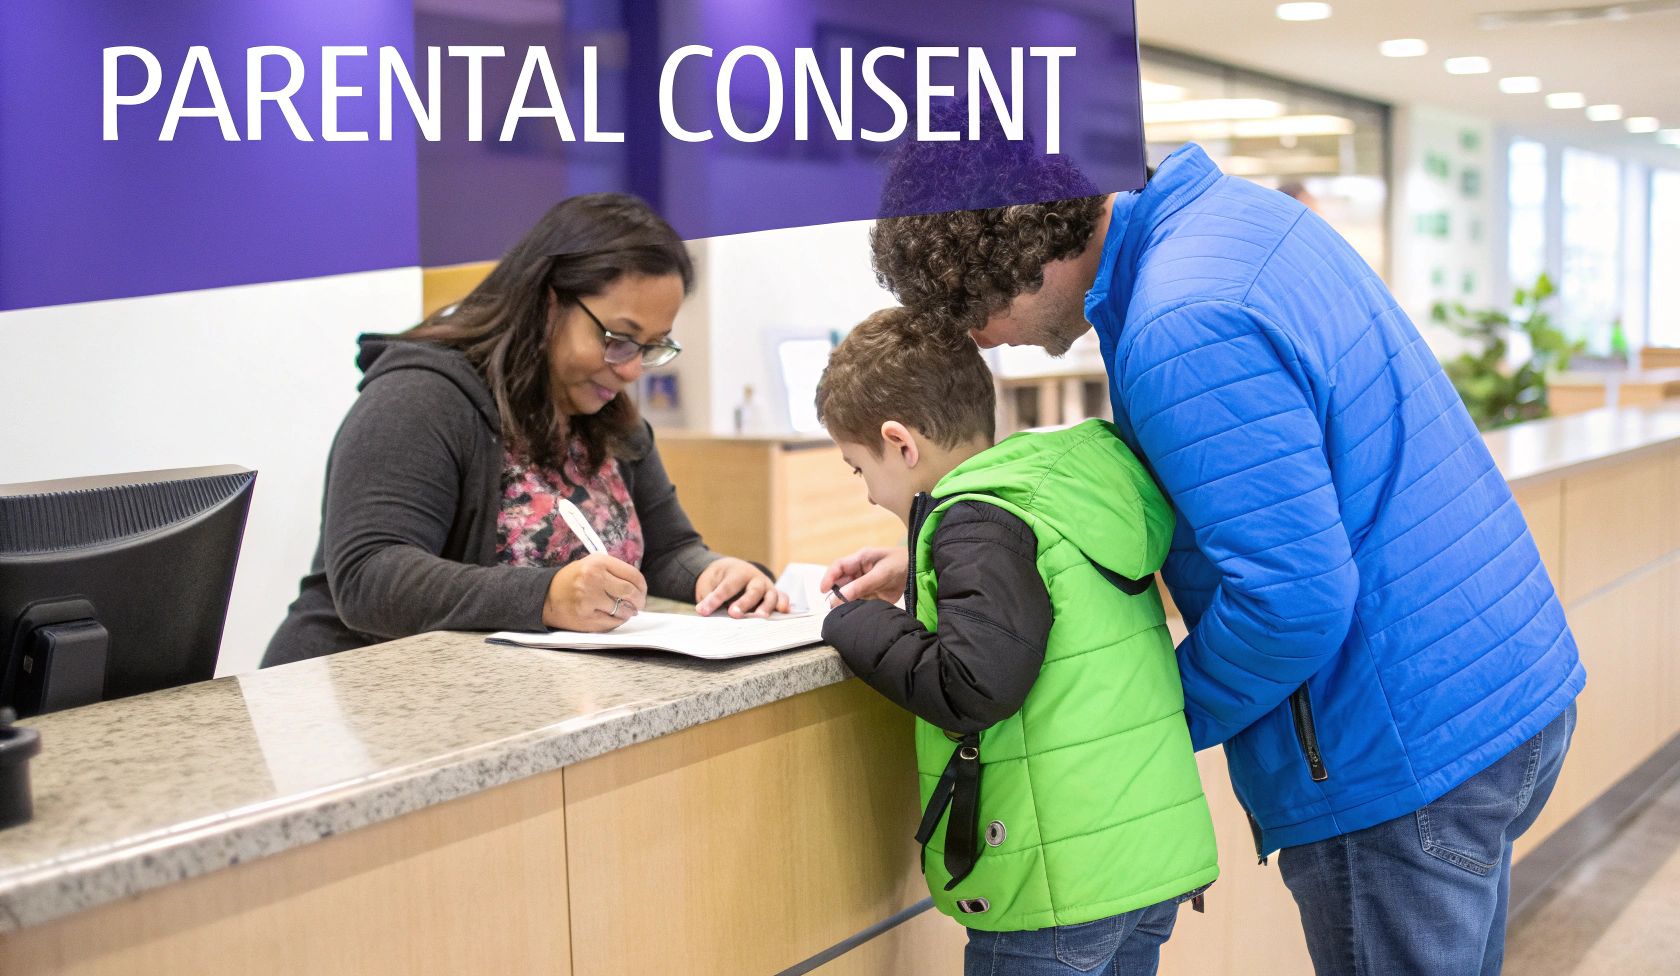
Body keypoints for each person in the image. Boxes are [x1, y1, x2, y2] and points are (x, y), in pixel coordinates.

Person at [832, 142, 1582, 975]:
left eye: (975, 312)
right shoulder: (1233, 226)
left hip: (1393, 737)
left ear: (1028, 257)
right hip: (1485, 685)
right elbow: (1234, 480)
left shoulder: (1178, 320)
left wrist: (1137, 723)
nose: (983, 340)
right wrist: (975, 549)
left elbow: (1291, 601)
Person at [815, 308, 1219, 976]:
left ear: (900, 443)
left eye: (859, 469)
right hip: (1139, 866)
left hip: (1054, 886)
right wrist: (921, 572)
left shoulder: (976, 522)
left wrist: (851, 622)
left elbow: (971, 685)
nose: (867, 494)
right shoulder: (1049, 496)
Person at [265, 194, 785, 666]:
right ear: (548, 301)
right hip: (356, 700)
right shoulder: (420, 398)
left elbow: (669, 551)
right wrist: (545, 597)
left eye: (652, 346)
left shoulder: (612, 420)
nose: (630, 370)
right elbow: (370, 577)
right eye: (618, 338)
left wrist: (713, 575)